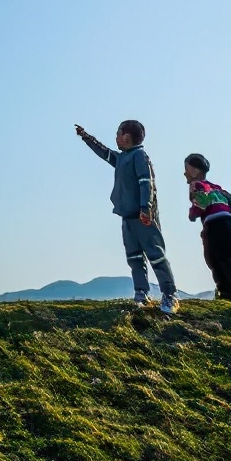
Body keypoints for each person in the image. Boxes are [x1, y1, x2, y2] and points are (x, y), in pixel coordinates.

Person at [75, 120, 179, 315]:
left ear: (126, 137)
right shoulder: (123, 158)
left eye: (118, 133)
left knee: (155, 254)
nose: (115, 137)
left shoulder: (139, 156)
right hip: (127, 216)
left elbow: (146, 182)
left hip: (143, 216)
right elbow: (105, 153)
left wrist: (145, 208)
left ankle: (169, 294)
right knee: (134, 257)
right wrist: (87, 138)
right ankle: (141, 292)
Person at [184, 153, 231, 301]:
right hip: (229, 223)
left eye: (187, 169)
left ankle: (225, 291)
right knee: (229, 259)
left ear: (196, 171)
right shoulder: (219, 189)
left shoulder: (197, 185)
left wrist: (192, 214)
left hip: (214, 224)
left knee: (215, 258)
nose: (185, 173)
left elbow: (201, 203)